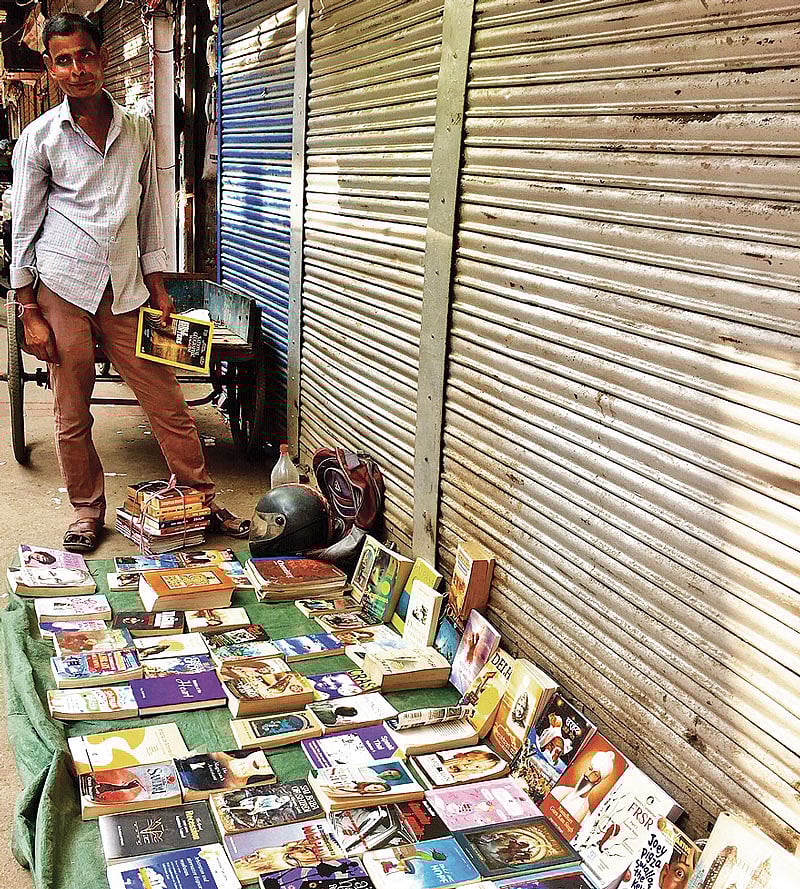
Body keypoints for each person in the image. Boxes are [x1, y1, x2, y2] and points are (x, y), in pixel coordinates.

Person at [10, 12, 248, 552]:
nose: (77, 70)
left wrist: (158, 281)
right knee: (72, 411)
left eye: (85, 56)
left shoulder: (136, 126)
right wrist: (28, 308)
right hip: (62, 286)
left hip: (125, 286)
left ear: (102, 57)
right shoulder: (40, 138)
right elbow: (24, 223)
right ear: (50, 69)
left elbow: (150, 207)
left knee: (166, 399)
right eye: (64, 60)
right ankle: (87, 511)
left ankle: (197, 499)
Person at [550, 749, 616, 824]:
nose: (588, 774)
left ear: (598, 781)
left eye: (595, 774)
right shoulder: (559, 790)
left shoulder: (587, 818)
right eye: (590, 769)